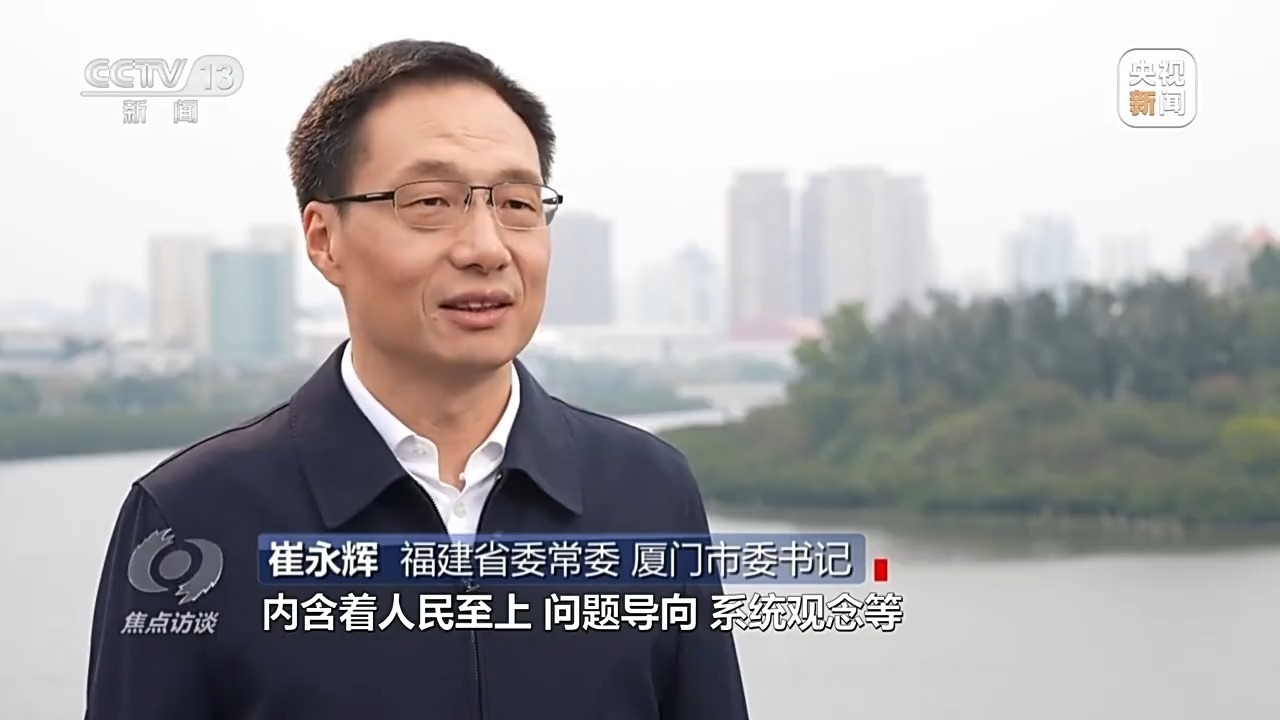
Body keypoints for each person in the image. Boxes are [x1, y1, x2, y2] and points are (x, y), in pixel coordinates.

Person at [84, 39, 750, 720]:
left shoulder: (649, 493)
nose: (487, 248)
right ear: (324, 239)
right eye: (432, 201)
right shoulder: (192, 517)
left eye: (518, 204)